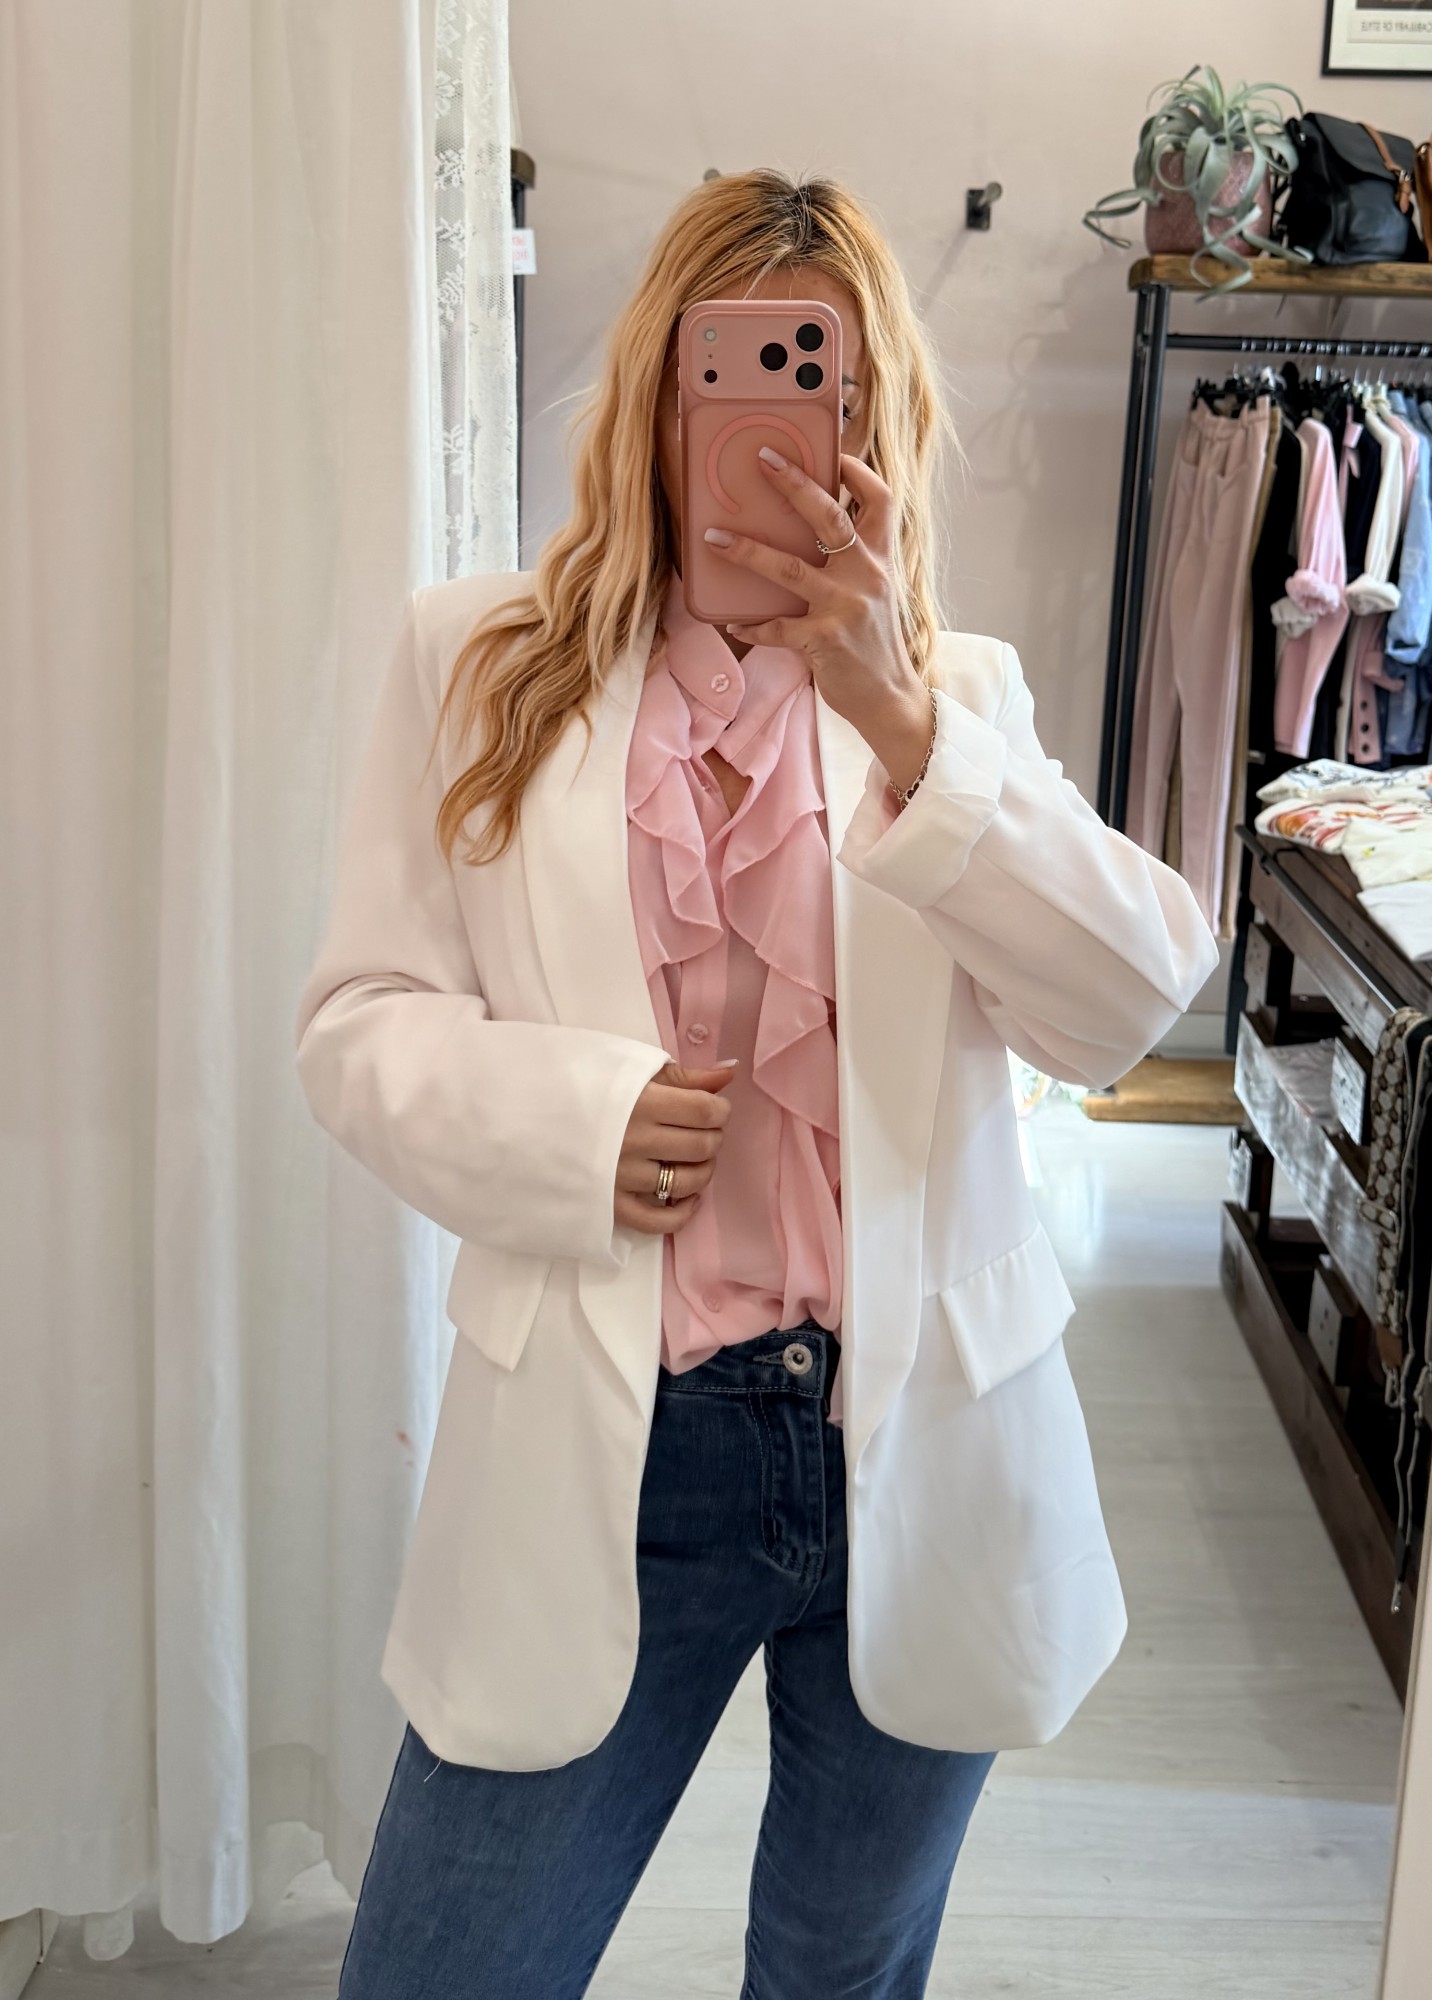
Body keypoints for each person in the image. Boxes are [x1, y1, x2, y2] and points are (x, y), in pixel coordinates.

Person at [294, 168, 1218, 2000]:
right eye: (744, 379)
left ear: (888, 425)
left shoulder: (959, 698)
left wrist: (903, 726)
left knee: (838, 1976)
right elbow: (360, 1019)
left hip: (915, 1440)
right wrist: (572, 1125)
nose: (795, 436)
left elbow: (1126, 1004)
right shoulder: (475, 667)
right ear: (660, 397)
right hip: (612, 1439)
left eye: (838, 392)